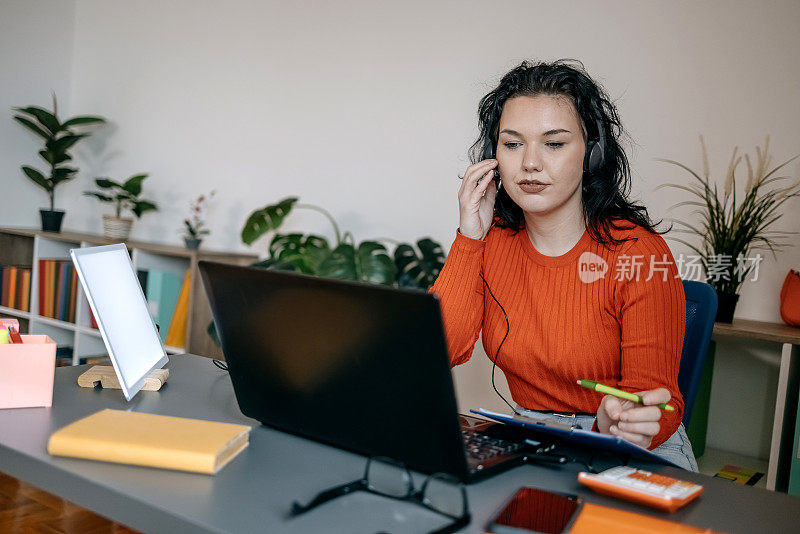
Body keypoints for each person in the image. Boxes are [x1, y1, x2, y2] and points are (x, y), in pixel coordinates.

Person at [431, 59, 697, 471]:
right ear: (493, 155)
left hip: (634, 450)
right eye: (512, 143)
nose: (530, 163)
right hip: (532, 438)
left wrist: (620, 425)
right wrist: (469, 236)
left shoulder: (638, 252)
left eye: (553, 144)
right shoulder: (491, 237)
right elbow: (438, 350)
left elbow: (660, 406)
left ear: (592, 153)